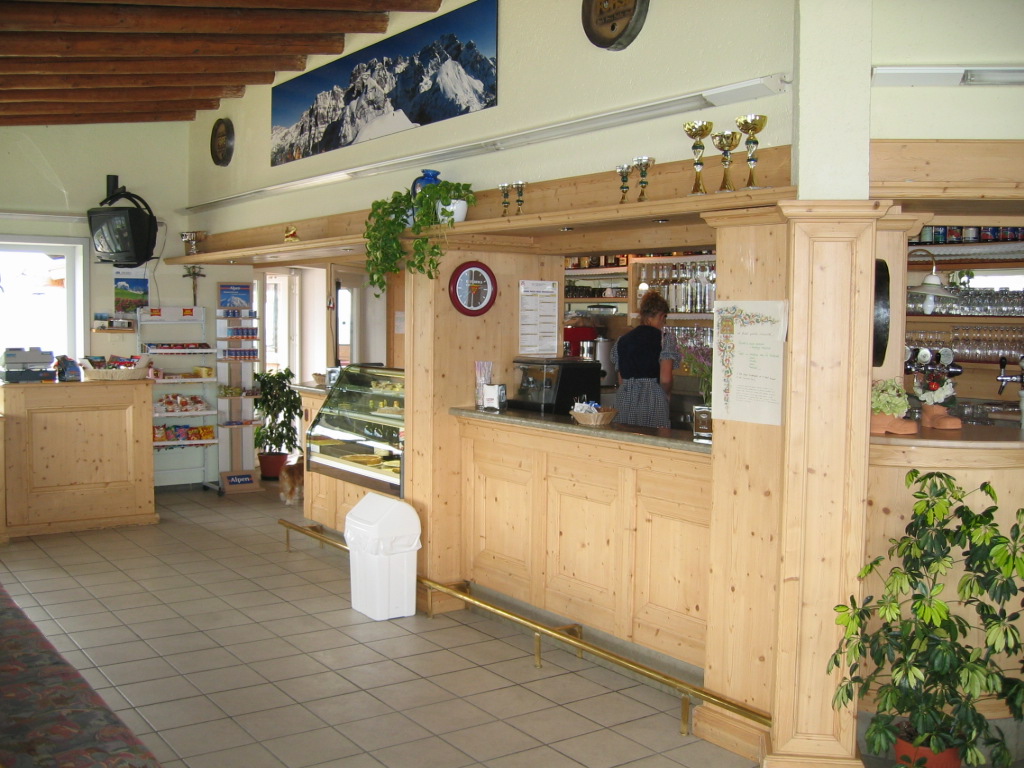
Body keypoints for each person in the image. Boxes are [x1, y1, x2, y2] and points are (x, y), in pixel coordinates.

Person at [611, 290, 681, 428]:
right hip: (652, 399)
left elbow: (621, 379)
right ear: (660, 315)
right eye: (664, 317)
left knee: (625, 444)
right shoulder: (665, 340)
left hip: (624, 400)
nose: (664, 322)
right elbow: (665, 379)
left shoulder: (622, 340)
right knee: (653, 444)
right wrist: (665, 395)